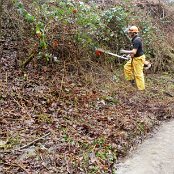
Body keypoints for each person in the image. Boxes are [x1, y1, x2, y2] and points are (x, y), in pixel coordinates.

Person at [120, 26, 146, 91]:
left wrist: (124, 51)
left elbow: (134, 51)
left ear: (134, 33)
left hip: (139, 59)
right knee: (127, 67)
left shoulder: (137, 40)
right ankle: (131, 81)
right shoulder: (134, 39)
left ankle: (141, 89)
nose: (129, 34)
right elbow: (134, 51)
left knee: (138, 74)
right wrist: (129, 55)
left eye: (130, 33)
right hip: (134, 58)